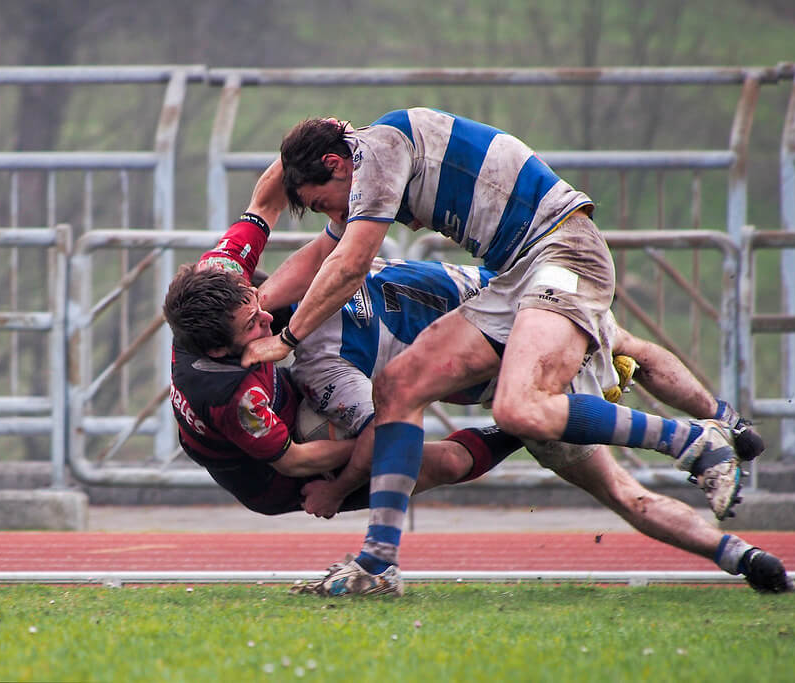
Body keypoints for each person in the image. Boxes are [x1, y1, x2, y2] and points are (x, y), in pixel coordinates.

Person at [242, 109, 759, 595]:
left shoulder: (374, 155)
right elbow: (324, 253)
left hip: (561, 251)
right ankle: (378, 565)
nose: (330, 214)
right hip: (514, 281)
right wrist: (251, 304)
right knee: (401, 386)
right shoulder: (366, 166)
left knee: (524, 407)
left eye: (320, 203)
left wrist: (283, 339)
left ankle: (701, 437)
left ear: (335, 164)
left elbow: (349, 263)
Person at [162, 161, 520, 518]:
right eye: (253, 325)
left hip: (285, 394)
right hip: (276, 472)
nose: (267, 318)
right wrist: (338, 488)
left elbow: (265, 204)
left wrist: (304, 150)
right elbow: (294, 461)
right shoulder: (234, 397)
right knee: (434, 462)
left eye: (257, 306)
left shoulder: (220, 272)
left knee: (380, 424)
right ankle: (521, 430)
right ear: (219, 350)